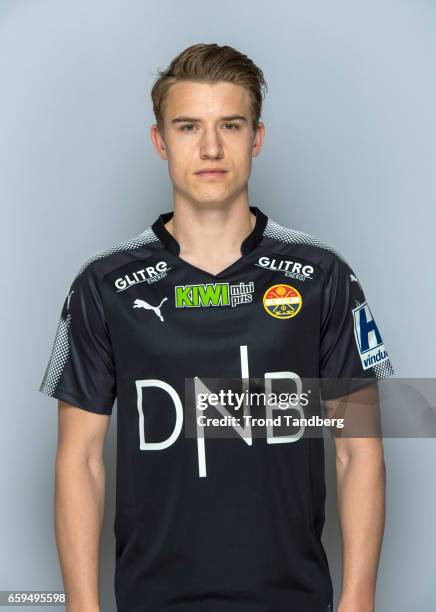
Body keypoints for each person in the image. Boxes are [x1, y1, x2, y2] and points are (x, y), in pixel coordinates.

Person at [39, 43, 394, 612]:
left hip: (294, 600)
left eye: (230, 125)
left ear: (256, 137)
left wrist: (358, 601)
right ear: (160, 141)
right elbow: (79, 460)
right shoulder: (103, 285)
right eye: (187, 127)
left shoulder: (323, 275)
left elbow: (360, 449)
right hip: (151, 600)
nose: (210, 148)